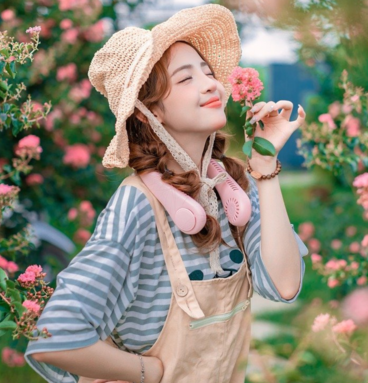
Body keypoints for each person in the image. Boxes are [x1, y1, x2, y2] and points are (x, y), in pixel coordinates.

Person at [24, 4, 308, 383]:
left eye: (208, 73)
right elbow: (54, 338)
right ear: (146, 111)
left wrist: (265, 166)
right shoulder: (137, 204)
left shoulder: (234, 187)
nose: (211, 84)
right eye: (186, 78)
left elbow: (285, 285)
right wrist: (148, 372)